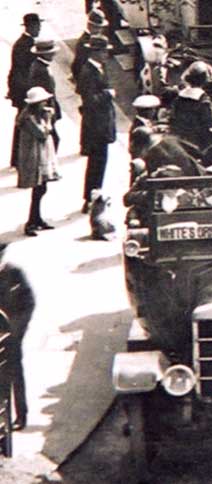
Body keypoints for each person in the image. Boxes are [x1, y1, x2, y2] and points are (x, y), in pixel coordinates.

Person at [77, 34, 116, 214]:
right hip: (96, 126)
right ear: (96, 52)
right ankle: (90, 198)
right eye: (104, 52)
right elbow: (90, 100)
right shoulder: (88, 72)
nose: (106, 55)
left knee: (100, 163)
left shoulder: (100, 68)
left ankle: (94, 195)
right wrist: (108, 94)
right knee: (96, 163)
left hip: (102, 124)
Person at [0, 242, 36, 431]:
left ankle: (21, 416)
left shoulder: (15, 273)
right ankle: (4, 420)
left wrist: (16, 330)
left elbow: (29, 303)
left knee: (14, 375)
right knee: (2, 380)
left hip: (13, 334)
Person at [17, 87, 59, 236]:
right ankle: (31, 222)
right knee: (38, 189)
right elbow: (42, 133)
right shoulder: (29, 118)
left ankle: (37, 218)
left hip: (41, 155)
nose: (45, 103)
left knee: (41, 189)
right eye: (43, 101)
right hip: (33, 158)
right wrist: (48, 120)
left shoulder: (36, 114)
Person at [7, 13, 42, 168]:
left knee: (22, 124)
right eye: (37, 26)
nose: (39, 29)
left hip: (21, 89)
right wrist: (30, 92)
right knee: (23, 124)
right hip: (24, 92)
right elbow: (23, 72)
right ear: (30, 27)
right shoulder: (25, 46)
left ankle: (17, 158)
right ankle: (18, 158)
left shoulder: (25, 43)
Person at [170, 61, 212, 150]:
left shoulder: (179, 98)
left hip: (179, 139)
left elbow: (173, 117)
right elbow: (211, 122)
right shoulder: (203, 100)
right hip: (197, 142)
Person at [29, 38, 61, 150]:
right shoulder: (41, 69)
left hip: (47, 106)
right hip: (44, 108)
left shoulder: (40, 66)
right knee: (52, 140)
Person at [71, 7, 108, 85]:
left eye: (100, 28)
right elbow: (78, 64)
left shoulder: (94, 39)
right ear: (89, 25)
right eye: (97, 27)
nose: (99, 30)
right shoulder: (84, 43)